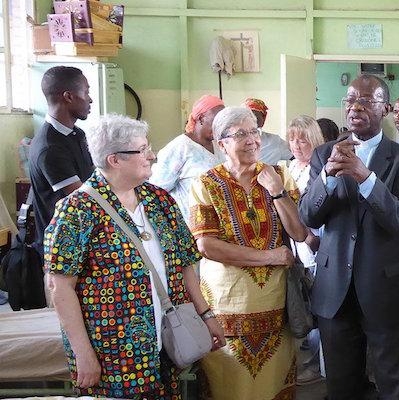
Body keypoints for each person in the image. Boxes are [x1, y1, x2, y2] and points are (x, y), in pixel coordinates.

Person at [45, 114, 226, 399]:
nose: (152, 155)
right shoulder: (77, 210)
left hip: (166, 342)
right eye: (142, 150)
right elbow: (60, 287)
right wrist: (83, 354)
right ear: (114, 159)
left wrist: (206, 314)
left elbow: (186, 263)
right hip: (112, 353)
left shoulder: (159, 200)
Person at [299, 74, 399, 400]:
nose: (355, 106)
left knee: (394, 384)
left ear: (385, 108)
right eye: (350, 99)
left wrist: (365, 177)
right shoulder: (323, 154)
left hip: (383, 286)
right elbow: (308, 217)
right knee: (342, 385)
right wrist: (326, 176)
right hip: (334, 287)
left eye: (366, 100)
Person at [188, 106, 307, 400]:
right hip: (227, 308)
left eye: (254, 131)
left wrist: (277, 191)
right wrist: (270, 257)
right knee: (230, 387)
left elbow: (300, 233)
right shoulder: (205, 184)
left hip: (277, 308)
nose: (252, 140)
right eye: (241, 134)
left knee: (273, 385)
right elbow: (206, 245)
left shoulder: (279, 175)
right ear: (222, 143)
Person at [28, 66, 94, 256]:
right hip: (60, 251)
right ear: (69, 96)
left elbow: (94, 181)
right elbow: (83, 200)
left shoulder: (76, 134)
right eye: (86, 92)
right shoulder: (50, 148)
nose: (90, 99)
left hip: (80, 241)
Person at [281, 115, 327, 385]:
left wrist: (309, 238)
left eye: (303, 139)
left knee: (319, 309)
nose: (297, 145)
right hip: (294, 249)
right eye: (292, 138)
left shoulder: (320, 169)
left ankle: (320, 367)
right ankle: (308, 359)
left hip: (316, 246)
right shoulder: (286, 168)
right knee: (302, 305)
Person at [149, 95, 225, 222]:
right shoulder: (180, 147)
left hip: (217, 222)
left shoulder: (219, 145)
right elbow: (157, 190)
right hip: (190, 224)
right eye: (216, 121)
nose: (221, 127)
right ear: (201, 118)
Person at [243, 97, 293, 164]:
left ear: (263, 118)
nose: (252, 120)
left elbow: (297, 156)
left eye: (256, 116)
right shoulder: (232, 140)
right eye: (248, 116)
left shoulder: (275, 141)